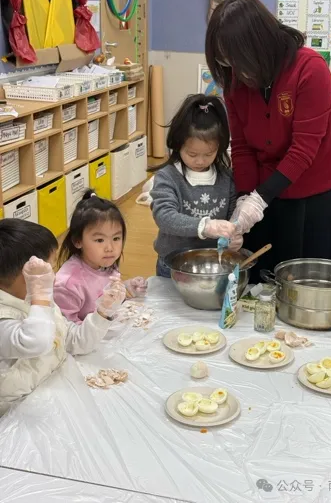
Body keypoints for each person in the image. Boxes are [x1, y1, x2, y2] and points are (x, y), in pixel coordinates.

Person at [205, 0, 331, 283]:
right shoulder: (235, 82)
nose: (236, 71)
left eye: (238, 60)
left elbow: (303, 150)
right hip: (266, 189)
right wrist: (244, 198)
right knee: (262, 278)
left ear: (260, 45)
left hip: (315, 192)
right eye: (226, 62)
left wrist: (258, 200)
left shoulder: (310, 69)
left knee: (311, 280)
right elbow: (242, 147)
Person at [0, 219, 125, 415]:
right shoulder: (8, 316)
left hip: (51, 392)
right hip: (17, 416)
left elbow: (71, 340)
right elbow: (35, 342)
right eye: (48, 269)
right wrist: (40, 296)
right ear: (27, 276)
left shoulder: (37, 299)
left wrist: (102, 313)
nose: (55, 276)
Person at [150, 94, 241, 277]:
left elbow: (233, 216)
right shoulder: (168, 177)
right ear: (178, 145)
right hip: (172, 265)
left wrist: (235, 234)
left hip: (213, 265)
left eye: (209, 154)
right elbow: (164, 216)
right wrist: (204, 226)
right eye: (192, 154)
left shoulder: (226, 178)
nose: (200, 161)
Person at [54, 190, 147, 324]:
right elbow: (66, 329)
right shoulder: (67, 284)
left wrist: (127, 287)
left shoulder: (104, 262)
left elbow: (104, 290)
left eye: (116, 238)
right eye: (99, 240)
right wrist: (101, 324)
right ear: (77, 241)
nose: (110, 248)